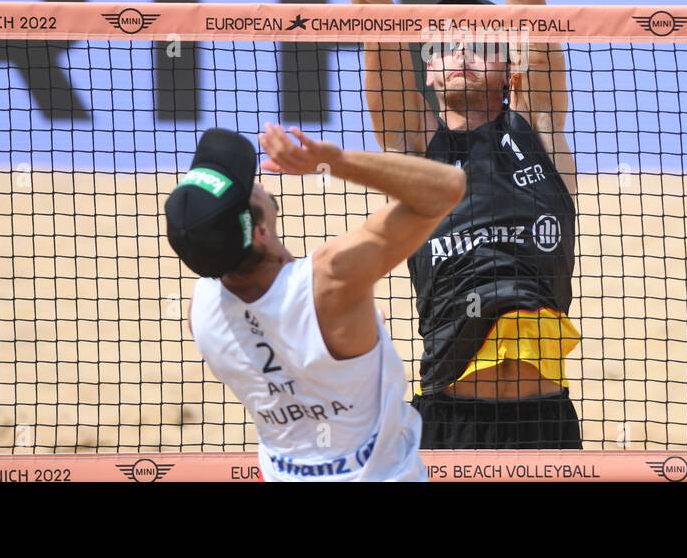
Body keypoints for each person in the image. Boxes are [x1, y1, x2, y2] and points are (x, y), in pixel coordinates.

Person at [273, 0, 582, 449]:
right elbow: (373, 19)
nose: (454, 50)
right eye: (439, 43)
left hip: (547, 422)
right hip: (448, 419)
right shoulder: (414, 150)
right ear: (428, 72)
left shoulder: (537, 126)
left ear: (509, 69)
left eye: (476, 40)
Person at [164, 124, 465, 480]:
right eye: (250, 187)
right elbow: (448, 187)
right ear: (259, 232)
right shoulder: (332, 281)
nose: (258, 181)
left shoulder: (199, 311)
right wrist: (336, 161)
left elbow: (288, 355)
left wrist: (354, 339)